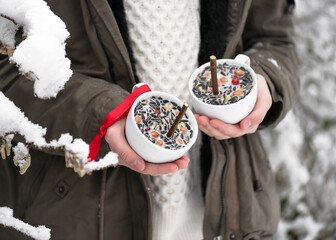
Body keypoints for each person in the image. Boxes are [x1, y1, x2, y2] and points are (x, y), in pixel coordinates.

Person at [0, 0, 299, 239]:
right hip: (78, 216)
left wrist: (264, 79)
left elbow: (272, 37)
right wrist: (100, 114)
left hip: (223, 214)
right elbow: (6, 64)